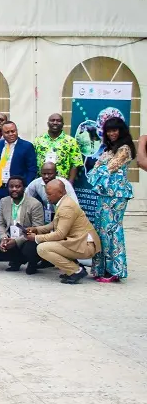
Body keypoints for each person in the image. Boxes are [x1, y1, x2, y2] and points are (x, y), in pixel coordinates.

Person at [28, 180, 100, 285]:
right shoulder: (64, 202)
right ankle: (73, 267)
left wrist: (36, 238)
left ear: (61, 193)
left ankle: (76, 271)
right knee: (48, 244)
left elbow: (59, 234)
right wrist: (37, 229)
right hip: (78, 242)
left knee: (42, 248)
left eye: (49, 194)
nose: (47, 196)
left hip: (84, 245)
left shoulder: (66, 207)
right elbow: (53, 224)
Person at [89, 117, 134, 282]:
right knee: (101, 230)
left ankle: (114, 270)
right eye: (109, 131)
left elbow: (108, 168)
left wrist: (100, 168)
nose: (112, 133)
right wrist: (99, 168)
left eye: (115, 130)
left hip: (117, 195)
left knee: (112, 230)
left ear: (121, 131)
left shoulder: (125, 148)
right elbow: (95, 170)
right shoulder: (108, 149)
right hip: (104, 194)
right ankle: (102, 269)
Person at [0, 176, 45, 273]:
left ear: (24, 188)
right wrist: (4, 238)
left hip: (27, 237)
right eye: (11, 186)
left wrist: (16, 241)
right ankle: (15, 261)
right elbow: (0, 224)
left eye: (18, 186)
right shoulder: (3, 201)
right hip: (10, 235)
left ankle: (32, 263)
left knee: (30, 248)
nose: (14, 189)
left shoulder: (35, 204)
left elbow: (37, 229)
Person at [0, 121, 37, 210]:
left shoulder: (27, 146)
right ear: (2, 133)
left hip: (16, 189)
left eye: (13, 131)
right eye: (7, 132)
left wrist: (25, 186)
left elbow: (32, 169)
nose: (11, 134)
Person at [33, 113, 83, 182]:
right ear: (48, 123)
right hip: (41, 182)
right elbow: (32, 162)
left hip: (62, 183)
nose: (55, 123)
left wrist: (70, 182)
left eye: (58, 121)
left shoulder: (71, 141)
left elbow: (75, 164)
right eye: (52, 120)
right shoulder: (38, 140)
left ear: (63, 124)